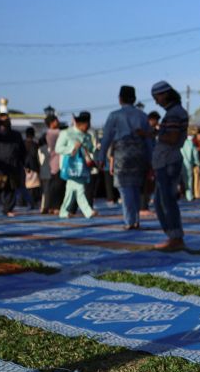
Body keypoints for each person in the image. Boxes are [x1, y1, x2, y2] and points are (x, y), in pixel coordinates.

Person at [97, 86, 153, 230]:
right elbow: (148, 140)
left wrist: (101, 155)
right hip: (138, 152)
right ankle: (136, 220)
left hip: (122, 152)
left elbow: (107, 137)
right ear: (134, 99)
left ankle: (129, 220)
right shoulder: (142, 115)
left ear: (120, 99)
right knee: (135, 186)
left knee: (124, 187)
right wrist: (151, 159)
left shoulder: (114, 115)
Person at [150, 81, 189, 251]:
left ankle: (176, 237)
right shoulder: (175, 112)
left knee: (167, 201)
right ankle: (173, 235)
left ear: (165, 94)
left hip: (168, 161)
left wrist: (155, 133)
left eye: (156, 97)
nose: (156, 101)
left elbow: (172, 138)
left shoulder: (174, 114)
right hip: (166, 161)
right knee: (161, 202)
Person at [56, 111, 96, 219]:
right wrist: (72, 149)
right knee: (80, 189)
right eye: (86, 125)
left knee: (71, 191)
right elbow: (58, 148)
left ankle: (63, 212)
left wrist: (95, 149)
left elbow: (91, 149)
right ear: (79, 124)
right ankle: (88, 212)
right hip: (70, 166)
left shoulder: (88, 136)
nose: (88, 127)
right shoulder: (66, 133)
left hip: (82, 167)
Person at [0, 113, 26, 216]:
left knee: (10, 189)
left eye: (7, 120)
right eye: (2, 121)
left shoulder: (16, 134)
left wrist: (24, 163)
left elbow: (22, 151)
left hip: (13, 166)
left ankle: (8, 209)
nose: (6, 122)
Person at [40, 114, 64, 214]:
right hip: (59, 162)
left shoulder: (45, 135)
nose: (58, 122)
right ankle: (57, 207)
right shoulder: (58, 133)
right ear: (52, 123)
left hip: (50, 163)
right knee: (59, 186)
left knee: (51, 187)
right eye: (56, 120)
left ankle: (49, 207)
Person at [22, 127, 41, 208]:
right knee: (34, 186)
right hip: (33, 167)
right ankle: (32, 202)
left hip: (23, 167)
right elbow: (35, 156)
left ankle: (24, 202)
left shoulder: (22, 143)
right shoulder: (35, 145)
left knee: (24, 186)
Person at [180, 129, 200, 201]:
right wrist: (196, 163)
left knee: (175, 181)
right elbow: (195, 154)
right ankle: (189, 196)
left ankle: (175, 195)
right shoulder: (190, 143)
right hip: (188, 164)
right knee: (188, 180)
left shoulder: (176, 142)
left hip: (176, 163)